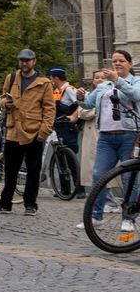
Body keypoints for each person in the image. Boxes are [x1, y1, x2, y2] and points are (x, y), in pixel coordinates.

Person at [75, 49, 140, 227]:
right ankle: (97, 216)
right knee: (99, 176)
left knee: (129, 179)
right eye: (114, 61)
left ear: (129, 63)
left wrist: (117, 80)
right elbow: (88, 103)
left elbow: (135, 95)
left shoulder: (136, 81)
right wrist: (80, 96)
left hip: (130, 135)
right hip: (106, 137)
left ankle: (128, 218)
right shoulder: (104, 86)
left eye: (121, 61)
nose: (117, 64)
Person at [0, 49, 55, 215]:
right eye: (22, 60)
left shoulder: (44, 83)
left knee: (33, 171)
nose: (24, 63)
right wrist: (4, 103)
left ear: (34, 61)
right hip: (13, 130)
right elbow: (2, 97)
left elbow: (49, 109)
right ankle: (5, 202)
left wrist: (44, 131)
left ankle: (30, 204)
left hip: (34, 132)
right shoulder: (12, 77)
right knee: (10, 170)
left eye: (28, 60)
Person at [49, 66, 82, 191]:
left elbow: (81, 104)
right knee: (60, 158)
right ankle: (64, 189)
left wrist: (73, 116)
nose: (50, 80)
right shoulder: (57, 91)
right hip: (58, 127)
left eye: (51, 78)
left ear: (56, 78)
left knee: (70, 158)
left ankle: (79, 189)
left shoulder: (69, 90)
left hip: (68, 128)